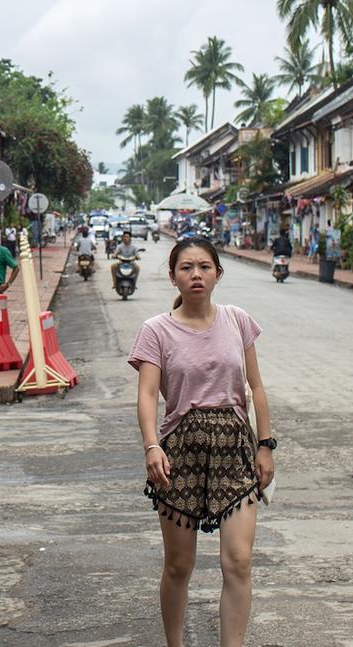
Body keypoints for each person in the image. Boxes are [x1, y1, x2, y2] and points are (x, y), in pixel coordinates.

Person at [128, 237, 275, 647]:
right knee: (179, 565)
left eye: (205, 267)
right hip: (180, 453)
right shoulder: (156, 330)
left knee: (239, 561)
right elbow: (146, 394)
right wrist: (151, 445)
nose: (196, 275)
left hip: (235, 449)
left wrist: (266, 444)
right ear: (173, 276)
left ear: (218, 274)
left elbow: (256, 388)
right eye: (187, 268)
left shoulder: (237, 320)